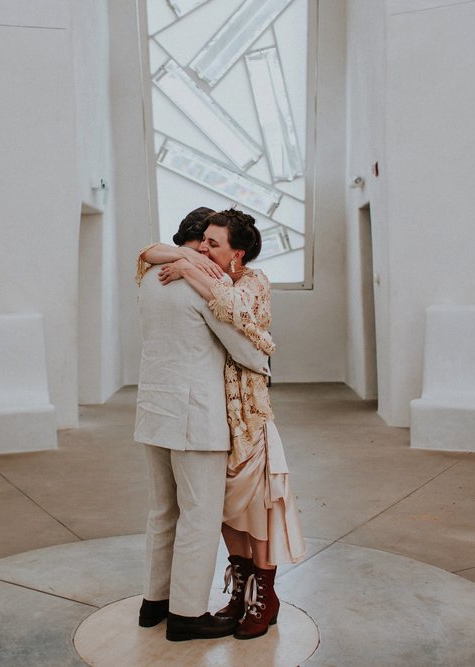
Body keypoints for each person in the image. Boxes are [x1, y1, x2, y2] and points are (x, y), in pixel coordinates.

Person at [145, 208, 305, 640]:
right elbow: (247, 349)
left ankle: (260, 596)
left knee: (254, 507)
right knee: (221, 511)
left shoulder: (244, 282)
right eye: (203, 242)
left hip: (243, 412)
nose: (204, 249)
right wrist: (189, 264)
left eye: (213, 244)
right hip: (211, 413)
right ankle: (222, 598)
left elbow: (251, 339)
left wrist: (188, 266)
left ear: (237, 253)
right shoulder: (201, 277)